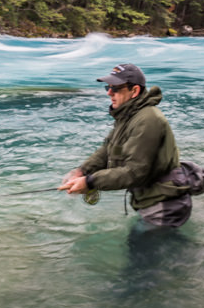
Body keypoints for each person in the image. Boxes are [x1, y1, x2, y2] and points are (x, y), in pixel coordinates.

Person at [58, 63, 193, 228]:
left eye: (115, 88)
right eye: (108, 87)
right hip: (151, 201)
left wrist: (90, 182)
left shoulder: (148, 120)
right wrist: (82, 171)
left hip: (164, 206)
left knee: (141, 252)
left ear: (134, 91)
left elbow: (135, 173)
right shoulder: (128, 116)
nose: (109, 92)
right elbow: (107, 150)